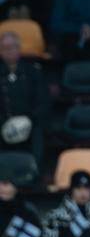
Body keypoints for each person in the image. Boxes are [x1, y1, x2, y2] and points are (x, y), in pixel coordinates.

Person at [0, 31, 48, 163]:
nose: (8, 51)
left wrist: (28, 120)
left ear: (19, 49)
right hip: (3, 123)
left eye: (12, 47)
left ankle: (34, 170)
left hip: (30, 123)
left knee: (38, 132)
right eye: (4, 48)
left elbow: (43, 101)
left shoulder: (33, 72)